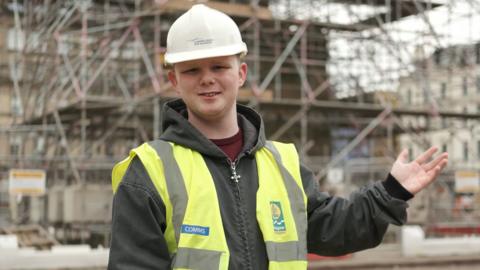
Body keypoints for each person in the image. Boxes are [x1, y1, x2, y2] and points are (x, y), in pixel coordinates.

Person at [108, 4, 448, 270]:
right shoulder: (148, 173)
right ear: (174, 81)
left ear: (241, 73)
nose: (207, 79)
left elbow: (332, 228)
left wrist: (392, 191)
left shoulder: (281, 163)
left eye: (219, 67)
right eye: (193, 70)